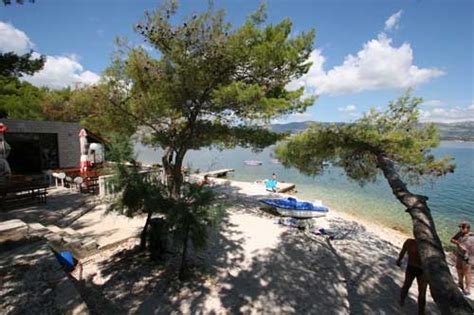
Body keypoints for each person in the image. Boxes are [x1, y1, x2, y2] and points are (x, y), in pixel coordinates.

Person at [396, 238, 427, 315]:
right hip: (421, 270)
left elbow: (403, 252)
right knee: (421, 291)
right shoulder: (426, 246)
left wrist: (399, 260)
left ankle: (401, 301)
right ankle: (421, 312)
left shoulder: (409, 242)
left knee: (407, 285)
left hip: (412, 267)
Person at [451, 221, 474, 295]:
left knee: (467, 272)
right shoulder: (459, 233)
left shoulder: (472, 237)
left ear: (468, 228)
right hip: (459, 255)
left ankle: (468, 288)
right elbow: (452, 240)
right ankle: (460, 284)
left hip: (468, 257)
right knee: (459, 269)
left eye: (463, 227)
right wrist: (458, 243)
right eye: (460, 227)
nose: (461, 229)